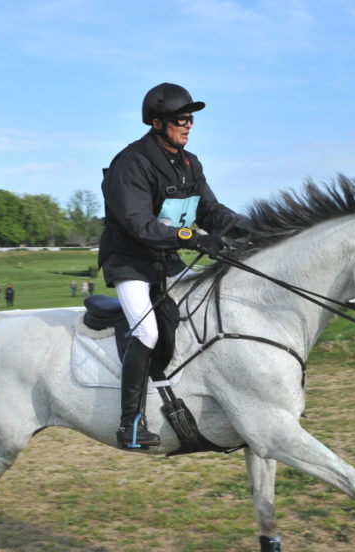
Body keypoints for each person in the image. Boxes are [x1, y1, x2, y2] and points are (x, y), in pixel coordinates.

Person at [99, 82, 250, 450]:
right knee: (147, 332)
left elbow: (210, 212)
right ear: (156, 123)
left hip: (167, 260)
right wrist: (196, 239)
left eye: (191, 119)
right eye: (180, 119)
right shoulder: (131, 163)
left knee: (209, 310)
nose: (188, 124)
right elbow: (139, 225)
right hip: (131, 263)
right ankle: (130, 423)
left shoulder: (189, 164)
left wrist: (255, 230)